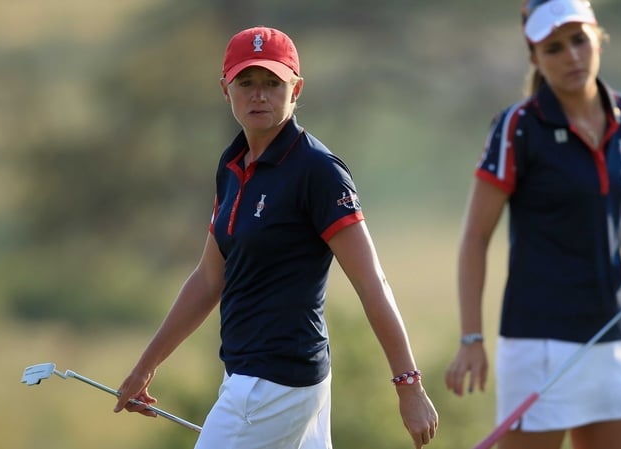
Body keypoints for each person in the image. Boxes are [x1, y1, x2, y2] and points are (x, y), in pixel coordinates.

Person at [113, 26, 438, 449]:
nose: (259, 95)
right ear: (224, 89)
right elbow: (210, 278)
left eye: (273, 83)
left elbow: (371, 281)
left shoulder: (318, 171)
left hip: (276, 384)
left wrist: (408, 384)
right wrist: (145, 367)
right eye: (246, 83)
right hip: (257, 378)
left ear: (296, 89)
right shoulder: (232, 165)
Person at [444, 1, 621, 449]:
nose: (572, 56)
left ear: (597, 38)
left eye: (579, 40)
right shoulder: (517, 128)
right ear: (534, 58)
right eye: (553, 48)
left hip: (612, 336)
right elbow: (475, 237)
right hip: (537, 343)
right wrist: (472, 336)